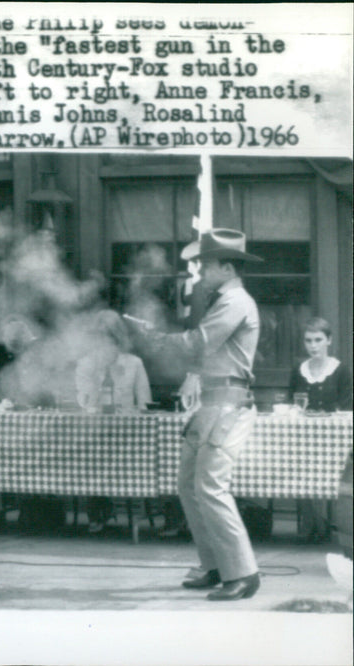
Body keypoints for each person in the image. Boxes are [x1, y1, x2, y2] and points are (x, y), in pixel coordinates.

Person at [127, 228, 263, 601]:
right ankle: (216, 565)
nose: (200, 271)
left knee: (210, 487)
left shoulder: (236, 301)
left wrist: (157, 338)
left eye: (205, 264)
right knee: (189, 486)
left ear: (226, 266)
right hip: (214, 404)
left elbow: (199, 341)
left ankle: (244, 574)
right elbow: (204, 352)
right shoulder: (226, 301)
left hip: (228, 405)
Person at [75, 310, 152, 533]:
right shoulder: (85, 364)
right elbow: (83, 401)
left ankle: (145, 513)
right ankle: (97, 512)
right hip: (96, 432)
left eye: (111, 337)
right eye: (100, 337)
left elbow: (145, 403)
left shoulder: (134, 363)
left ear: (119, 339)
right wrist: (97, 379)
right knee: (88, 458)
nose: (106, 343)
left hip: (129, 434)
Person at [289, 317, 353, 543]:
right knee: (299, 467)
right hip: (304, 438)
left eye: (318, 340)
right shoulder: (299, 369)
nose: (313, 346)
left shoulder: (341, 370)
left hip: (334, 440)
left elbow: (347, 409)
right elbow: (292, 405)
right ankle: (311, 525)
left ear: (329, 341)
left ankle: (328, 525)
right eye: (308, 341)